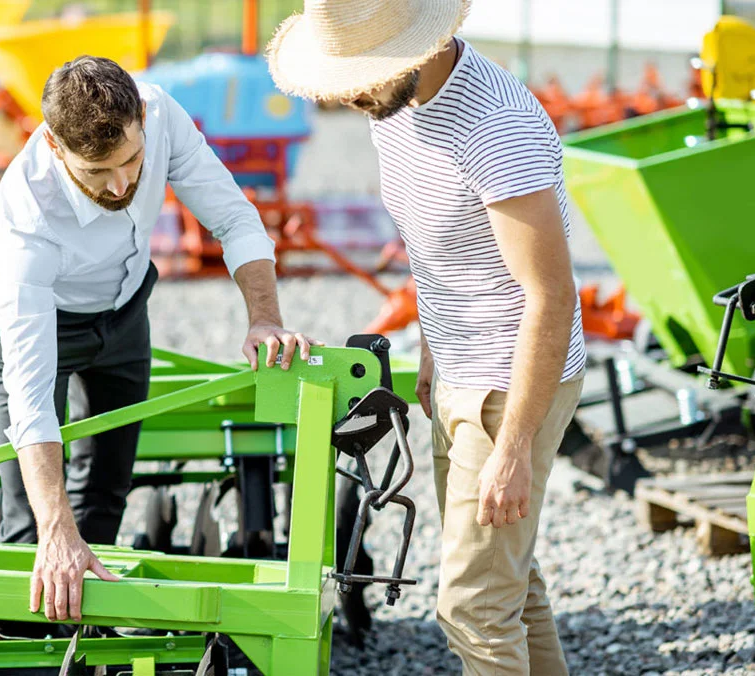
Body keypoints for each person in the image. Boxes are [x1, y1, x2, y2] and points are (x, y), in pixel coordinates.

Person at [267, 1, 587, 673]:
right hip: (460, 368)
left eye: (364, 72)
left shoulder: (494, 126)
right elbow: (435, 243)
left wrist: (514, 445)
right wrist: (434, 352)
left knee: (471, 605)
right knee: (509, 584)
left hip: (512, 377)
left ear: (418, 48)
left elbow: (550, 297)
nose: (351, 93)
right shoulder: (393, 108)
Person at [0, 55, 319, 625]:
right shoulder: (24, 214)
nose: (123, 184)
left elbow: (234, 219)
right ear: (57, 150)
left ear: (140, 117)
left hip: (127, 307)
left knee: (109, 485)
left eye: (133, 160)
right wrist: (57, 530)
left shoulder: (160, 111)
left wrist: (265, 317)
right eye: (98, 173)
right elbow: (32, 402)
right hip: (48, 317)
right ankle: (22, 645)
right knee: (31, 523)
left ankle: (85, 620)